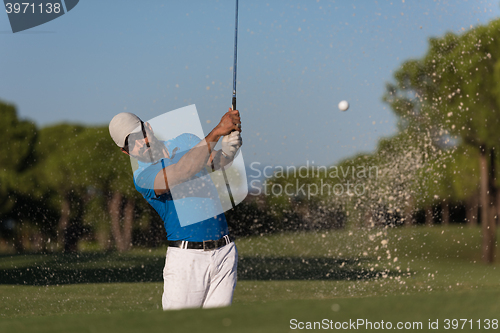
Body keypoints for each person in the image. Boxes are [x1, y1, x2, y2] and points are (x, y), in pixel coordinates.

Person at [109, 108, 242, 310]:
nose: (139, 144)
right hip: (187, 260)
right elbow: (182, 171)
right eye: (130, 143)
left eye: (138, 135)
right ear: (126, 152)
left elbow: (216, 162)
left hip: (225, 252)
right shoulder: (143, 177)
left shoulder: (187, 141)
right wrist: (216, 132)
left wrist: (229, 149)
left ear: (148, 128)